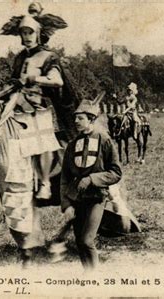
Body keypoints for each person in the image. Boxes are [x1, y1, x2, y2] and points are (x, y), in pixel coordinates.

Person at [1, 3, 68, 200]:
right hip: (17, 102)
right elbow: (14, 81)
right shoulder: (20, 57)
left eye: (30, 32)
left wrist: (34, 79)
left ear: (38, 33)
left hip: (40, 105)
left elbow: (57, 80)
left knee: (40, 137)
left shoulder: (48, 56)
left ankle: (45, 182)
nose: (27, 36)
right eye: (23, 33)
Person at [60, 98, 122, 270]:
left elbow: (116, 173)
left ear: (91, 119)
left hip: (96, 198)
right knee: (79, 242)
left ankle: (96, 279)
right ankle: (88, 277)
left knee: (87, 240)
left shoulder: (105, 141)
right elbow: (64, 178)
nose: (76, 122)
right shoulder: (72, 145)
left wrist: (91, 179)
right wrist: (66, 205)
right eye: (75, 118)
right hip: (76, 199)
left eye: (80, 118)